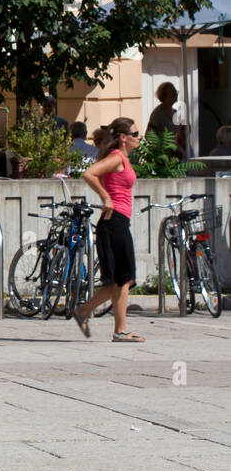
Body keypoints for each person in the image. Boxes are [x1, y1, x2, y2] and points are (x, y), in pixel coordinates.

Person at [74, 118, 145, 343]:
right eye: (136, 134)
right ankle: (120, 331)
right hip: (114, 222)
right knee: (124, 278)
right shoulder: (116, 158)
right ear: (123, 138)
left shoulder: (122, 158)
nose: (139, 137)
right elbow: (89, 173)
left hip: (118, 222)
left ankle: (84, 311)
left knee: (119, 280)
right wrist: (106, 197)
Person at [146, 82, 187, 157]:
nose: (176, 94)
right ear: (164, 96)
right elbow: (149, 135)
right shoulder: (157, 114)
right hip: (164, 156)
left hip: (178, 155)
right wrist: (163, 148)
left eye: (176, 92)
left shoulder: (176, 113)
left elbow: (181, 133)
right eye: (172, 92)